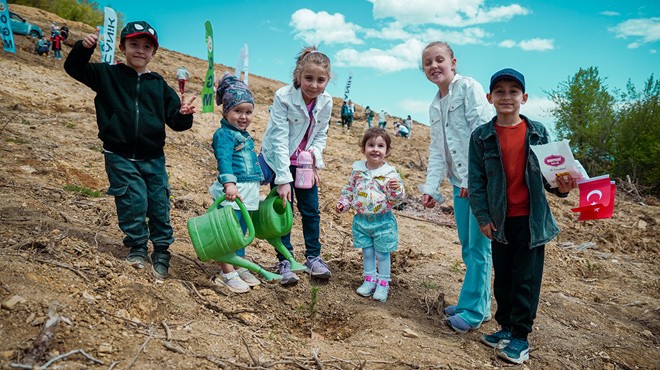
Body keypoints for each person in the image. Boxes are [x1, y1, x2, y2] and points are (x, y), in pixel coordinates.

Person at [64, 21, 196, 279]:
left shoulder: (158, 85)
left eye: (147, 47)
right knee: (133, 202)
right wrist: (83, 47)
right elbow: (74, 68)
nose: (140, 50)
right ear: (122, 47)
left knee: (158, 204)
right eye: (134, 44)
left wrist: (184, 115)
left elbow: (177, 123)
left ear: (153, 53)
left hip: (153, 159)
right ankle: (137, 246)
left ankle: (161, 251)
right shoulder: (107, 74)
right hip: (120, 155)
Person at [468, 68, 576, 364]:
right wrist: (482, 218)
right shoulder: (481, 137)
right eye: (499, 91)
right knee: (502, 276)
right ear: (490, 98)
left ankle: (520, 338)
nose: (506, 97)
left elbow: (551, 177)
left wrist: (563, 188)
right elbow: (476, 182)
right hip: (499, 220)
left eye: (513, 91)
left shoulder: (538, 132)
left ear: (524, 98)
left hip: (531, 220)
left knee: (525, 279)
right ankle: (504, 328)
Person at [419, 41, 494, 334]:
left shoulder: (468, 88)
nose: (434, 66)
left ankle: (473, 311)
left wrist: (473, 180)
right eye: (428, 63)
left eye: (440, 60)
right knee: (468, 244)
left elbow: (485, 133)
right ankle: (481, 304)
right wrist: (430, 187)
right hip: (458, 185)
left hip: (479, 183)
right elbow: (438, 150)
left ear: (453, 62)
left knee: (478, 247)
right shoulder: (435, 105)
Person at [260, 46, 333, 285]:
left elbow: (321, 134)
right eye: (309, 78)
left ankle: (313, 257)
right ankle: (285, 259)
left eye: (320, 80)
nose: (314, 85)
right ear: (298, 75)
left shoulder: (326, 102)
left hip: (304, 164)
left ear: (327, 80)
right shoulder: (283, 97)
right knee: (284, 211)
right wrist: (282, 179)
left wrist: (313, 158)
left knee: (311, 211)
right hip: (281, 160)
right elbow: (280, 138)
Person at [208, 73, 263, 293]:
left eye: (248, 112)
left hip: (247, 192)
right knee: (228, 231)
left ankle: (238, 265)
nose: (243, 117)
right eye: (237, 111)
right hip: (233, 190)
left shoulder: (244, 135)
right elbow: (224, 160)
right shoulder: (224, 134)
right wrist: (229, 184)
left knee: (240, 231)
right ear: (226, 111)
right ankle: (227, 272)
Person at [336, 128, 405, 302]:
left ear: (386, 151)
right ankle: (369, 279)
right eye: (371, 145)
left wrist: (396, 191)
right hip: (362, 220)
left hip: (383, 222)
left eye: (381, 146)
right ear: (363, 148)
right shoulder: (357, 171)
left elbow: (397, 198)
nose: (375, 149)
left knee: (382, 253)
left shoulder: (390, 174)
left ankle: (383, 283)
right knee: (367, 252)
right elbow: (350, 189)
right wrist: (344, 203)